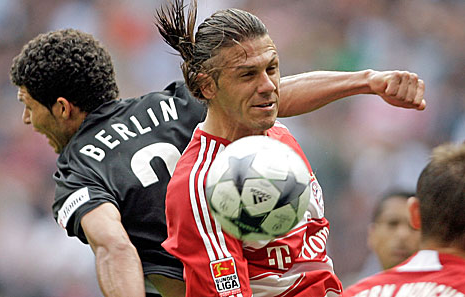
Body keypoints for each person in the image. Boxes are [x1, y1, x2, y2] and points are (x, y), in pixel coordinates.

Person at [9, 24, 424, 297]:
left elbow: (115, 247)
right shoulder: (171, 104)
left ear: (62, 108)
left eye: (29, 105)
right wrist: (365, 81)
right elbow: (270, 98)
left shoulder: (77, 169)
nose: (27, 118)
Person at [156, 1, 425, 296]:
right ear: (207, 87)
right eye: (247, 75)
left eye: (271, 68)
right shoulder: (202, 185)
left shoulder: (277, 133)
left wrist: (370, 81)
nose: (269, 85)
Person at [343, 143, 465, 297]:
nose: (402, 235)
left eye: (408, 227)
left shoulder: (354, 294)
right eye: (392, 224)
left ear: (414, 213)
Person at [367, 191, 421, 271]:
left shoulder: (444, 282)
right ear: (372, 234)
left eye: (413, 226)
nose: (403, 234)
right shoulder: (350, 283)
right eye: (392, 223)